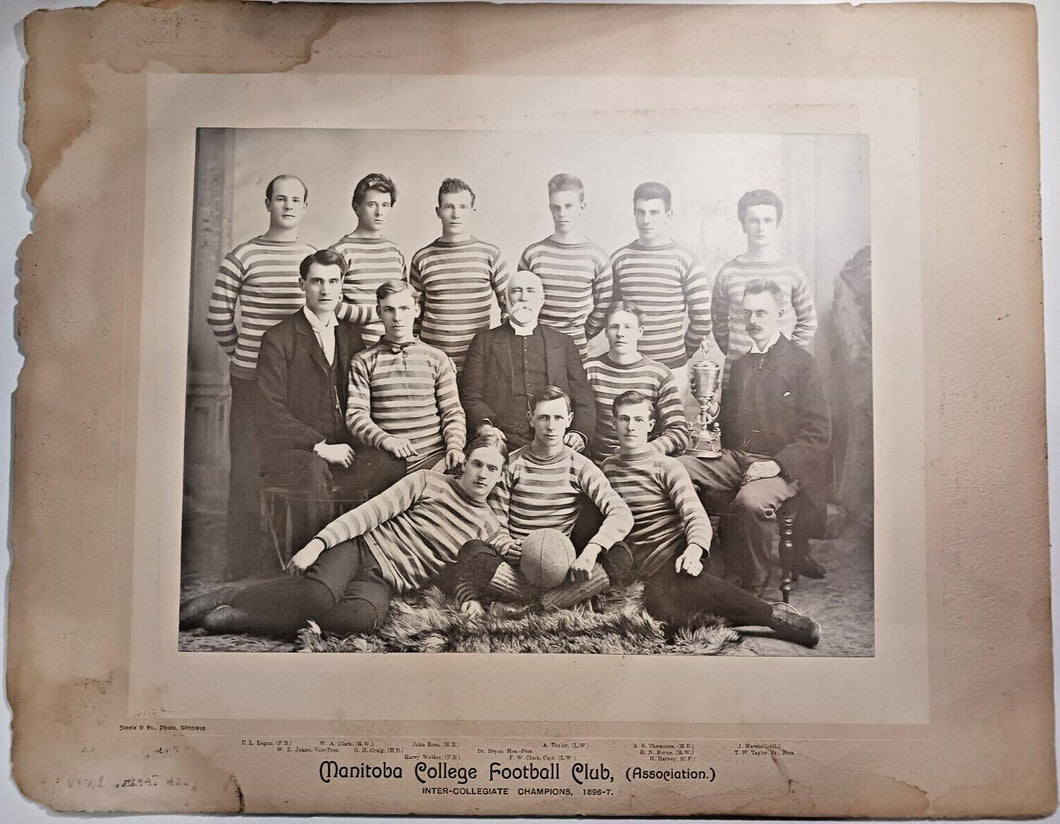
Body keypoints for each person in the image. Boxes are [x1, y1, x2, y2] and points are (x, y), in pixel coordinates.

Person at [180, 428, 517, 638]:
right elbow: (367, 514)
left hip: (383, 581)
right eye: (477, 463)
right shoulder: (427, 481)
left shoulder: (488, 526)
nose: (482, 474)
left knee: (363, 617)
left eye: (492, 468)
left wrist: (469, 599)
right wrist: (317, 544)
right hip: (359, 548)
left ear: (501, 476)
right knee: (318, 597)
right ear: (464, 462)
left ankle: (249, 618)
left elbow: (468, 573)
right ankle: (232, 594)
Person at [603, 390, 820, 648]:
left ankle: (773, 616)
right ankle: (730, 612)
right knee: (666, 616)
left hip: (679, 551)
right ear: (613, 423)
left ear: (650, 426)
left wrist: (694, 551)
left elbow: (695, 515)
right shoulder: (608, 467)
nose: (630, 427)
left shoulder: (667, 467)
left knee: (677, 597)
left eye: (638, 420)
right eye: (624, 419)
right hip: (647, 564)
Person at [679, 279, 831, 592]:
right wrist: (711, 409)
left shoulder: (802, 364)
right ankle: (693, 562)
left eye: (761, 313)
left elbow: (818, 432)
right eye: (747, 313)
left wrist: (777, 465)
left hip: (782, 467)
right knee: (673, 467)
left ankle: (751, 586)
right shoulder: (739, 363)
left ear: (781, 313)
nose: (753, 321)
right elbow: (729, 423)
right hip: (737, 459)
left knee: (750, 502)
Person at [206, 174, 317, 580]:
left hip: (299, 385)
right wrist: (247, 356)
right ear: (267, 203)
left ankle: (289, 565)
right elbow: (218, 315)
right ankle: (241, 569)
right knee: (249, 469)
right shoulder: (243, 256)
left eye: (296, 199)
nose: (288, 206)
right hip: (252, 382)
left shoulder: (314, 257)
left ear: (305, 207)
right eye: (280, 198)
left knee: (295, 466)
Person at [453, 387, 634, 614]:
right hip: (517, 566)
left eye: (558, 418)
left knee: (620, 554)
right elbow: (495, 520)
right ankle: (556, 602)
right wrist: (506, 545)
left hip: (563, 566)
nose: (551, 426)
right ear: (531, 419)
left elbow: (621, 512)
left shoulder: (580, 465)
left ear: (569, 420)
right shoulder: (513, 463)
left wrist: (591, 552)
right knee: (472, 551)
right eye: (543, 417)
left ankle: (528, 608)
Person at [254, 249, 366, 554]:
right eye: (317, 281)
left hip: (344, 443)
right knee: (314, 470)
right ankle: (317, 563)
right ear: (302, 283)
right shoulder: (278, 339)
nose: (326, 289)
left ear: (342, 285)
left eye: (333, 281)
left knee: (387, 465)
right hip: (293, 451)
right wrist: (319, 445)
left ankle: (366, 561)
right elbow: (269, 411)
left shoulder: (352, 336)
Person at [459, 270, 594, 451]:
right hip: (502, 437)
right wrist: (485, 427)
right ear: (506, 300)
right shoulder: (484, 342)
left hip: (555, 436)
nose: (523, 297)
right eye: (516, 291)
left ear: (541, 300)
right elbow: (470, 396)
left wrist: (578, 433)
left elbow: (583, 398)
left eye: (530, 291)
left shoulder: (563, 343)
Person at [345, 280, 466, 482]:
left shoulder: (437, 358)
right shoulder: (364, 360)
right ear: (379, 312)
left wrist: (454, 446)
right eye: (389, 310)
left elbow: (452, 412)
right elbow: (356, 416)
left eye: (404, 308)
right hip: (388, 464)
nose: (397, 317)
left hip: (435, 461)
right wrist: (386, 440)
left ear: (417, 310)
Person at [608, 181, 712, 393]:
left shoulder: (685, 260)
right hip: (627, 369)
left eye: (654, 212)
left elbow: (702, 320)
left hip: (671, 369)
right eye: (641, 212)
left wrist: (679, 354)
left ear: (669, 215)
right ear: (634, 213)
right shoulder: (619, 259)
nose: (646, 220)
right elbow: (611, 314)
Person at [409, 178, 511, 371]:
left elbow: (509, 309)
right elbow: (413, 316)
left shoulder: (491, 255)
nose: (456, 214)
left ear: (473, 210)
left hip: (479, 362)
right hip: (432, 362)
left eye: (463, 207)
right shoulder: (422, 258)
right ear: (438, 211)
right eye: (449, 206)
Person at [711, 189, 818, 363]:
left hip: (781, 372)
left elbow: (809, 321)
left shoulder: (792, 272)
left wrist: (787, 354)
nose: (761, 228)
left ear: (777, 224)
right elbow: (718, 322)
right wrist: (738, 354)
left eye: (768, 221)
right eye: (754, 221)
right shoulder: (728, 272)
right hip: (739, 373)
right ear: (743, 224)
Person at [518, 173, 613, 358]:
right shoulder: (533, 254)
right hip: (536, 345)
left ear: (582, 207)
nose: (562, 214)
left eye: (569, 206)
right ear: (550, 208)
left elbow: (603, 307)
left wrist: (582, 334)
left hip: (576, 348)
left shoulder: (597, 257)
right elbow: (521, 301)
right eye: (556, 207)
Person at [584, 300, 690, 461]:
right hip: (597, 464)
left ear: (640, 331)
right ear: (605, 331)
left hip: (643, 465)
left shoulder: (659, 374)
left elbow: (678, 432)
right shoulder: (589, 370)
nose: (620, 333)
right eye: (614, 327)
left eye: (628, 327)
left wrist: (645, 450)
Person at [328, 172, 407, 346]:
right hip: (353, 350)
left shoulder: (395, 253)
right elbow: (329, 305)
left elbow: (405, 304)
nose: (379, 212)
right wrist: (381, 313)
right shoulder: (340, 252)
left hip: (393, 352)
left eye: (385, 205)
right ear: (357, 207)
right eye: (372, 204)